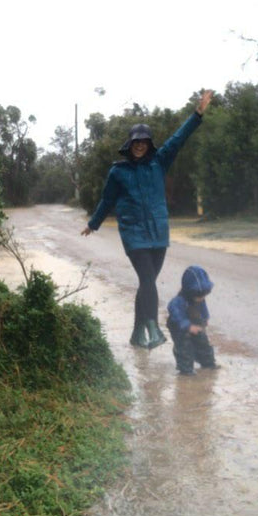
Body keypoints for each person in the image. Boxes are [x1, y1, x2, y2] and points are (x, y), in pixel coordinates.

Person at [81, 90, 213, 349]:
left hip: (158, 234)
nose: (140, 145)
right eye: (136, 141)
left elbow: (178, 139)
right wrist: (93, 224)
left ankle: (135, 333)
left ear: (149, 144)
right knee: (148, 280)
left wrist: (197, 114)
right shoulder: (118, 172)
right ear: (129, 144)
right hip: (134, 234)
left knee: (146, 284)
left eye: (144, 141)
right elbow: (107, 200)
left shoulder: (159, 163)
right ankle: (152, 328)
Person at [166, 265, 218, 375]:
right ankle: (186, 369)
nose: (202, 298)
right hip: (180, 328)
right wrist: (187, 326)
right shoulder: (178, 301)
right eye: (200, 296)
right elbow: (174, 312)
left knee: (203, 343)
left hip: (196, 324)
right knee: (184, 348)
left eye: (204, 295)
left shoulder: (200, 298)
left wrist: (205, 318)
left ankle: (208, 363)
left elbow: (203, 309)